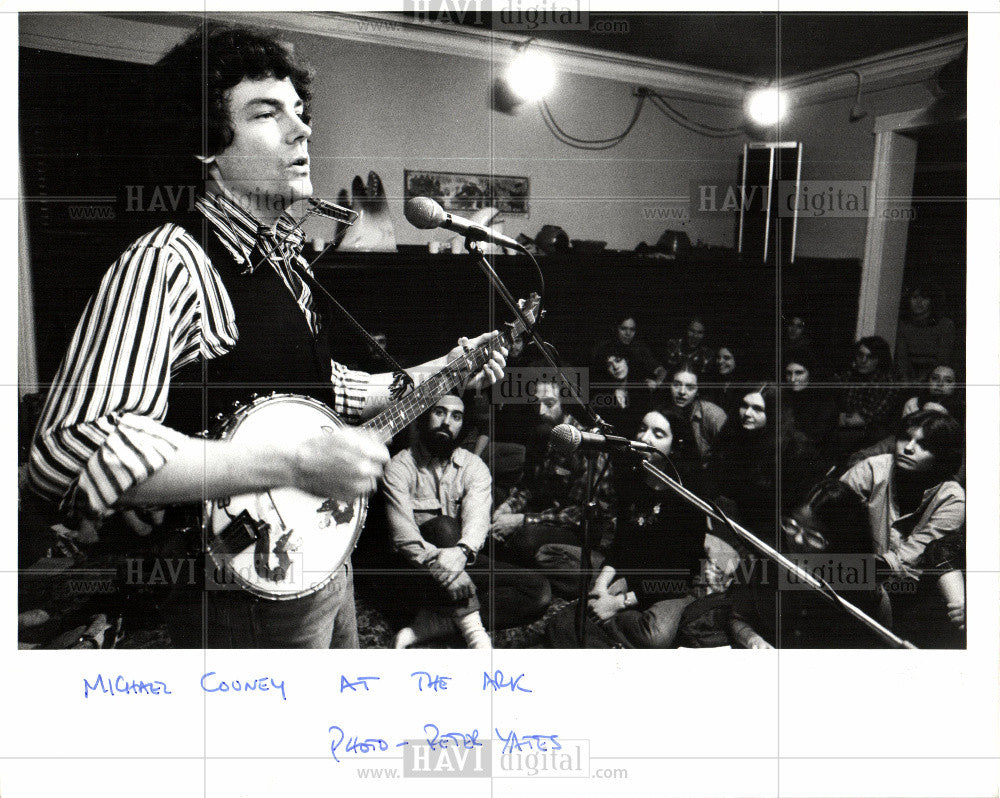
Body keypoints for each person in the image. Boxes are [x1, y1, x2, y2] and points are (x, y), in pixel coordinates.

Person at [25, 23, 506, 648]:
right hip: (236, 592)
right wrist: (296, 461)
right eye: (266, 113)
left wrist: (446, 369)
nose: (303, 129)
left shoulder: (286, 262)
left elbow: (316, 389)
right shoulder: (169, 260)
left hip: (319, 562)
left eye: (300, 112)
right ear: (207, 144)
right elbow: (67, 449)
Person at [382, 395, 550, 648]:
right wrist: (449, 566)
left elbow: (477, 523)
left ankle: (433, 623)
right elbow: (405, 537)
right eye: (439, 412)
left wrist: (460, 555)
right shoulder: (399, 466)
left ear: (463, 425)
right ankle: (475, 635)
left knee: (538, 590)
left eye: (456, 416)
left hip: (462, 559)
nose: (447, 422)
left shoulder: (474, 466)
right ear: (426, 416)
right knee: (443, 527)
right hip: (416, 571)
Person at [539, 407, 712, 647]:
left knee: (655, 636)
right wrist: (601, 586)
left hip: (671, 582)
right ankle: (605, 612)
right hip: (629, 570)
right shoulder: (633, 477)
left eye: (658, 434)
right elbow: (620, 544)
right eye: (643, 428)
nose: (644, 437)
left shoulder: (689, 492)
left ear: (676, 445)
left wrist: (619, 601)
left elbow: (680, 571)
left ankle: (606, 617)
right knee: (548, 554)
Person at [839, 410, 965, 635]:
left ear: (943, 455)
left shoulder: (952, 497)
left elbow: (915, 554)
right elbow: (830, 515)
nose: (908, 448)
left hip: (907, 593)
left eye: (924, 445)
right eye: (906, 438)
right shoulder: (874, 468)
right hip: (851, 574)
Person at [490, 379, 615, 564]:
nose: (540, 412)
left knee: (525, 538)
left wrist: (522, 520)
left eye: (549, 404)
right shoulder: (542, 434)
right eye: (537, 403)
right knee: (492, 503)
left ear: (566, 404)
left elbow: (577, 514)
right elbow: (528, 486)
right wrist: (507, 508)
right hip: (546, 516)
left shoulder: (587, 444)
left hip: (579, 530)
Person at [830, 336, 899, 462]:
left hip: (871, 434)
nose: (863, 360)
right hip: (845, 428)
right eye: (860, 355)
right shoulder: (849, 374)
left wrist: (839, 417)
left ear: (880, 360)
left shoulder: (886, 381)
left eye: (870, 357)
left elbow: (865, 419)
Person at [656, 363, 727, 468]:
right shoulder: (661, 412)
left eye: (690, 387)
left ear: (698, 390)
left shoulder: (713, 415)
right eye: (676, 385)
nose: (682, 392)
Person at [895, 283, 956, 380]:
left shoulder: (945, 325)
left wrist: (924, 380)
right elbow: (901, 358)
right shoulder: (902, 325)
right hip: (909, 379)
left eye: (924, 298)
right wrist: (906, 379)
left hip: (935, 377)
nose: (919, 302)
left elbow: (943, 359)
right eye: (915, 297)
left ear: (932, 301)